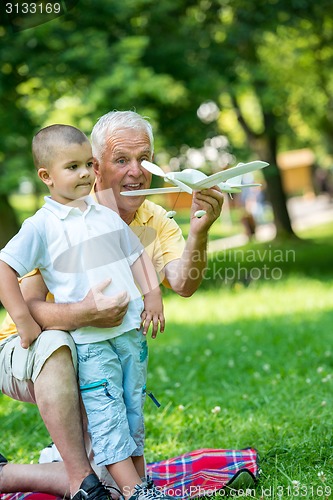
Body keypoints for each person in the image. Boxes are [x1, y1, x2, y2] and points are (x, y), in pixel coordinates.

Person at [0, 111, 224, 498]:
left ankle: (80, 464)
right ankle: (62, 475)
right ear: (97, 166)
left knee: (120, 453)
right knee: (59, 346)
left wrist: (199, 232)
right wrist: (84, 314)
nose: (136, 172)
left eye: (145, 159)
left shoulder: (147, 219)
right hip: (33, 350)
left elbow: (182, 283)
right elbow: (30, 306)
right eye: (122, 160)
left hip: (102, 346)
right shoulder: (55, 223)